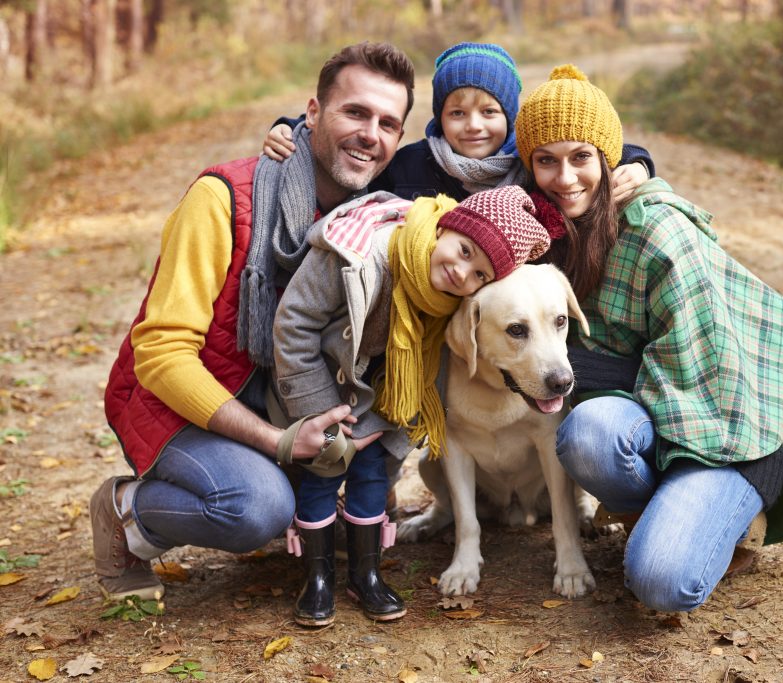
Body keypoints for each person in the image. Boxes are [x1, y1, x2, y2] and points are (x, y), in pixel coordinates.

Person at [91, 42, 416, 605]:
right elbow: (163, 356)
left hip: (280, 397)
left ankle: (298, 491)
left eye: (389, 123)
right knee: (256, 508)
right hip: (177, 402)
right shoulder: (222, 199)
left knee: (362, 476)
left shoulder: (371, 220)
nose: (371, 134)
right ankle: (127, 513)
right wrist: (279, 442)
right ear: (311, 113)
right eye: (355, 113)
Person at [514, 65, 783, 613]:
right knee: (585, 435)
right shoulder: (547, 234)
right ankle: (660, 512)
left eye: (580, 157)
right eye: (545, 160)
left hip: (720, 434)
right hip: (653, 416)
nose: (564, 176)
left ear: (607, 160)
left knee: (662, 584)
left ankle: (734, 516)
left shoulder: (658, 233)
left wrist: (587, 368)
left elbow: (700, 379)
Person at [272, 184, 562, 626]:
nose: (463, 273)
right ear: (446, 226)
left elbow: (419, 377)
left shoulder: (447, 299)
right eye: (464, 250)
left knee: (372, 477)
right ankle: (317, 578)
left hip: (382, 403)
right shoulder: (357, 252)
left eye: (480, 274)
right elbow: (293, 326)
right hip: (319, 399)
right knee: (321, 474)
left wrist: (386, 424)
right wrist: (317, 413)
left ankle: (365, 575)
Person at [262, 42, 654, 204]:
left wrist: (638, 163)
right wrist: (290, 126)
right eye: (457, 113)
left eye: (489, 112)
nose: (473, 126)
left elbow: (591, 147)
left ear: (511, 118)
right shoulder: (412, 163)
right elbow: (346, 146)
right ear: (439, 118)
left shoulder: (529, 164)